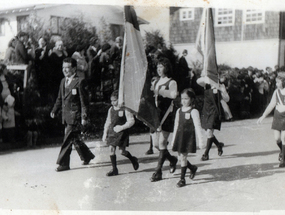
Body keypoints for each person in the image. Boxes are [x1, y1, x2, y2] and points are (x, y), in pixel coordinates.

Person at [50, 57, 95, 172]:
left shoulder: (80, 81)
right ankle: (87, 156)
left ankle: (64, 163)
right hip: (66, 116)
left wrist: (84, 117)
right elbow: (60, 98)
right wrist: (54, 110)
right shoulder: (62, 81)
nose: (65, 70)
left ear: (74, 68)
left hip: (75, 116)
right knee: (74, 138)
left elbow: (84, 102)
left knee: (67, 139)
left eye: (67, 68)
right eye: (63, 67)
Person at [150, 57, 178, 182]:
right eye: (157, 67)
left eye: (161, 67)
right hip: (157, 115)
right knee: (156, 144)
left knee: (162, 143)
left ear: (166, 67)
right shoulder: (156, 82)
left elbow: (173, 95)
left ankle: (158, 171)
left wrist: (159, 91)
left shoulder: (171, 82)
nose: (158, 69)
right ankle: (172, 159)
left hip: (167, 115)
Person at [171, 88, 203, 187]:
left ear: (192, 99)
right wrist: (173, 140)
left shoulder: (194, 111)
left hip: (188, 138)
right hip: (180, 137)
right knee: (180, 158)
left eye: (186, 98)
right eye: (182, 98)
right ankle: (192, 168)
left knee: (183, 157)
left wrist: (201, 141)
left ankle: (182, 179)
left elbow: (198, 126)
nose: (183, 101)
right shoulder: (178, 111)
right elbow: (176, 126)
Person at [102, 90, 139, 176]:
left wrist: (121, 127)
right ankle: (114, 169)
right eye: (111, 101)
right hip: (112, 131)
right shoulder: (111, 109)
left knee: (122, 151)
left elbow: (131, 121)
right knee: (111, 149)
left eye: (115, 100)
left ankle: (133, 159)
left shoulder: (125, 109)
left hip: (122, 132)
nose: (112, 102)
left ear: (120, 99)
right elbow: (108, 121)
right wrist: (105, 133)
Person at [257, 72, 285, 167]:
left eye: (278, 82)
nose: (276, 84)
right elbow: (271, 104)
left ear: (283, 82)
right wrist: (263, 116)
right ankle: (282, 150)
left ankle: (283, 161)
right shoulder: (276, 92)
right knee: (277, 139)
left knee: (284, 138)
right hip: (278, 117)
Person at [197, 77, 225, 161]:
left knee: (209, 132)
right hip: (206, 110)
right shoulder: (206, 84)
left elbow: (227, 99)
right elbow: (198, 81)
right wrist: (207, 77)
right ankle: (218, 145)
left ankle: (206, 154)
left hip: (215, 111)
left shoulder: (220, 86)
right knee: (208, 133)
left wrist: (222, 90)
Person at [34, 37, 50, 105]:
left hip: (46, 71)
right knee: (40, 85)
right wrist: (42, 55)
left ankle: (46, 101)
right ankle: (42, 102)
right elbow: (36, 61)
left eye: (43, 41)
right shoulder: (37, 50)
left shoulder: (48, 50)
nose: (41, 42)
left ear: (45, 42)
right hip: (40, 71)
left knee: (46, 85)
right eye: (40, 41)